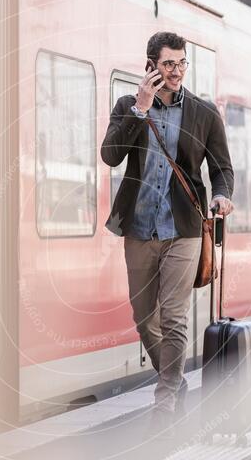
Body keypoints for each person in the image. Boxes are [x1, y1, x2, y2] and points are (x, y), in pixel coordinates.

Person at [101, 32, 235, 438]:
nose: (176, 72)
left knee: (175, 317)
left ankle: (165, 403)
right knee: (145, 321)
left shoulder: (203, 112)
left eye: (181, 64)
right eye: (168, 64)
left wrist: (223, 196)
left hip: (184, 229)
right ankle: (175, 380)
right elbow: (111, 155)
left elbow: (222, 169)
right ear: (150, 67)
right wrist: (140, 110)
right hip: (139, 229)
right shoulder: (128, 106)